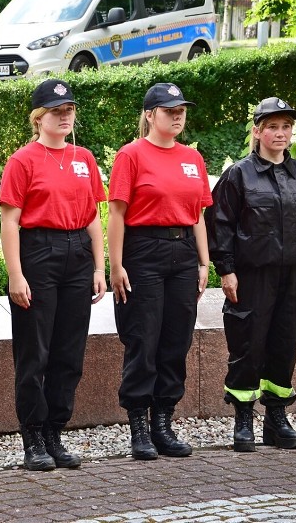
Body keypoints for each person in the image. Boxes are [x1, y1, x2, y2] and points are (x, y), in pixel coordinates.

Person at [206, 97, 296, 452]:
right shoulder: (238, 174)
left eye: (286, 127)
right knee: (248, 345)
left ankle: (276, 418)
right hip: (251, 276)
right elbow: (220, 225)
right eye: (272, 127)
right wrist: (226, 270)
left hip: (293, 275)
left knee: (284, 346)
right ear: (258, 131)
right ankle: (243, 418)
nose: (280, 133)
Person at [0, 79, 107, 471]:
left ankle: (55, 433)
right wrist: (16, 274)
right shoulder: (23, 160)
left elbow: (95, 215)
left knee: (69, 351)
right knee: (35, 351)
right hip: (39, 252)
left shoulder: (85, 158)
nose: (64, 117)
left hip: (78, 253)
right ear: (38, 117)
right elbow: (9, 221)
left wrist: (99, 266)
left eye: (69, 111)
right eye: (56, 112)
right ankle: (32, 437)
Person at [107, 82, 212, 461]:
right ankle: (138, 424)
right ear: (150, 115)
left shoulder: (192, 158)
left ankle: (163, 422)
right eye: (169, 110)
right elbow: (116, 213)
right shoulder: (131, 155)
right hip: (143, 250)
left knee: (176, 339)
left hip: (183, 251)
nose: (177, 115)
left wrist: (204, 261)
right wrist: (116, 265)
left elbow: (198, 213)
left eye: (181, 109)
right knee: (144, 338)